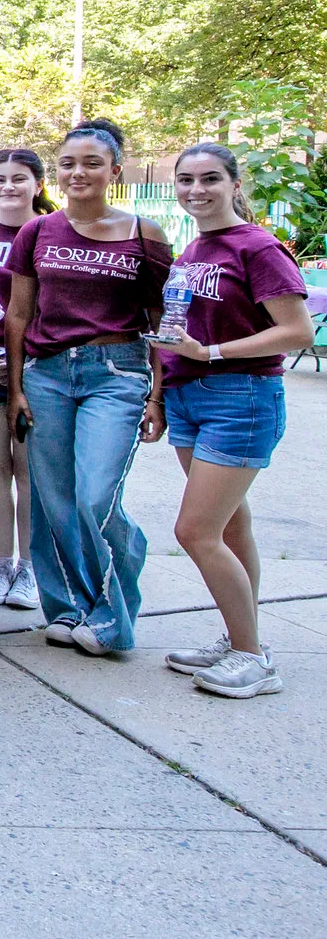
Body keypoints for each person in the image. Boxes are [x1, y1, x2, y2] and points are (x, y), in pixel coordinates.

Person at [2, 121, 172, 655]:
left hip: (115, 373)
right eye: (69, 163)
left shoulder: (146, 235)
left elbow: (161, 319)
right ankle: (68, 607)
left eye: (92, 163)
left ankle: (112, 617)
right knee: (53, 499)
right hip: (47, 373)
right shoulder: (38, 232)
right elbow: (18, 314)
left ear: (115, 171)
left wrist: (157, 394)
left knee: (96, 498)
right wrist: (16, 389)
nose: (79, 173)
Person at [157, 143, 312, 698]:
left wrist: (211, 354)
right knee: (228, 526)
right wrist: (163, 391)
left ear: (234, 184)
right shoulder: (194, 248)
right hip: (188, 396)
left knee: (194, 531)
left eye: (210, 179)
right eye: (185, 180)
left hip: (240, 396)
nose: (196, 189)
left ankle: (253, 658)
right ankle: (238, 636)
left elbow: (298, 332)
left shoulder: (258, 246)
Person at [0, 147, 53, 611]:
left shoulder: (51, 230)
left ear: (38, 185)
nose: (8, 186)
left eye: (19, 178)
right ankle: (1, 563)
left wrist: (23, 362)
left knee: (29, 473)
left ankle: (28, 568)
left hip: (35, 368)